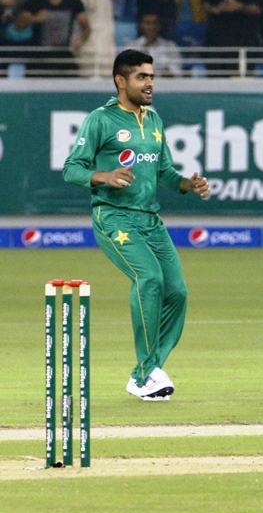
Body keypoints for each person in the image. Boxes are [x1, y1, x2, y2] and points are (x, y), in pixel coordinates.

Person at [62, 49, 211, 400]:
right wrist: (104, 176)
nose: (150, 83)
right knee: (150, 278)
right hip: (113, 217)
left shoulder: (154, 120)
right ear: (121, 80)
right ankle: (146, 373)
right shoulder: (101, 120)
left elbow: (166, 174)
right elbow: (71, 169)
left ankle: (147, 370)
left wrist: (190, 185)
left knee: (177, 292)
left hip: (150, 219)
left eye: (152, 76)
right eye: (142, 76)